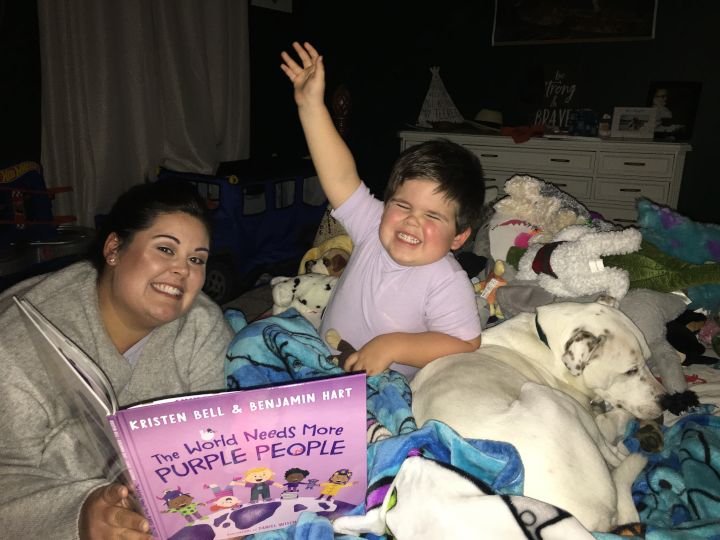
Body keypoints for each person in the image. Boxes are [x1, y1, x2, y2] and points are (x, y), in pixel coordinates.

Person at [0, 181, 234, 539]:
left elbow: (217, 444)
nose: (182, 270)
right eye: (165, 249)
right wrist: (80, 517)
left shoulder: (203, 327)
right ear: (114, 249)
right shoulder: (18, 341)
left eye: (196, 259)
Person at [280, 42, 484, 380]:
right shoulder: (373, 225)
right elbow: (340, 176)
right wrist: (310, 105)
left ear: (459, 237)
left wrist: (394, 346)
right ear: (387, 203)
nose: (411, 221)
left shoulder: (446, 281)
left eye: (433, 216)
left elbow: (465, 343)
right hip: (321, 362)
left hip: (382, 388)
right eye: (402, 205)